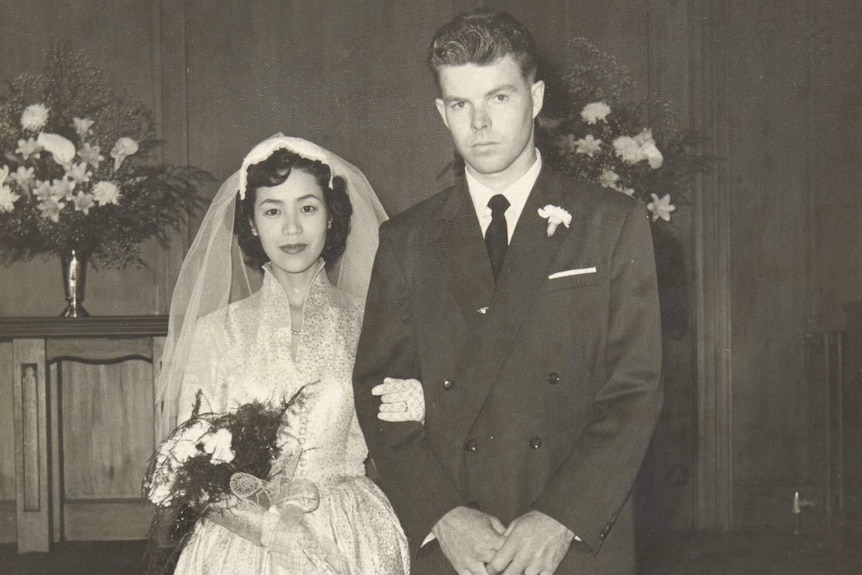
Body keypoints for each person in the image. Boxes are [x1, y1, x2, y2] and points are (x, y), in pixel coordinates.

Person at [353, 8, 663, 575]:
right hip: (456, 545)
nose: (479, 123)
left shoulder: (611, 223)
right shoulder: (407, 239)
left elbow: (635, 390)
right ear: (440, 112)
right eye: (460, 104)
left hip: (574, 540)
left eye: (499, 98)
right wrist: (443, 516)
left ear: (537, 97)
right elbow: (379, 390)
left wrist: (560, 518)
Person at [155, 134, 414, 574]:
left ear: (332, 217)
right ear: (252, 224)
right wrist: (268, 532)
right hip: (239, 539)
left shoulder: (371, 326)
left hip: (349, 534)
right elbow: (188, 467)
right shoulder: (216, 332)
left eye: (308, 208)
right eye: (272, 210)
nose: (291, 228)